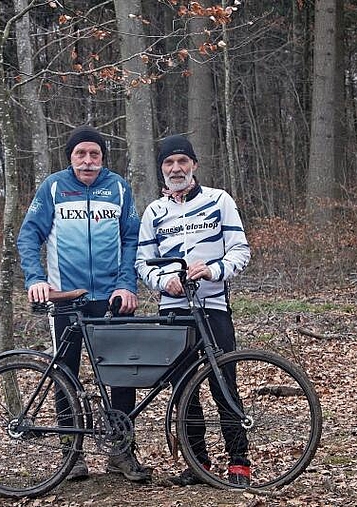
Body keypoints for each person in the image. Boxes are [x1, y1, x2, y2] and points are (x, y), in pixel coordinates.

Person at [17, 125, 150, 482]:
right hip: (66, 299)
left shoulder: (118, 187)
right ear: (71, 158)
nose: (88, 161)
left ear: (103, 158)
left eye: (94, 154)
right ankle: (71, 455)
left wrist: (126, 285)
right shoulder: (54, 187)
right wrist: (36, 279)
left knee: (123, 374)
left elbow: (131, 240)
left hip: (112, 298)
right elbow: (29, 235)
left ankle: (121, 453)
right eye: (81, 154)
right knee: (66, 374)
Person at [134, 134, 252, 487]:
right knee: (184, 388)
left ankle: (239, 463)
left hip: (212, 306)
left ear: (194, 166)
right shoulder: (154, 211)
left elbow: (240, 251)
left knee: (223, 383)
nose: (176, 168)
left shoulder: (219, 200)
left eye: (182, 161)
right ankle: (196, 463)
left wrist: (214, 270)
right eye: (169, 163)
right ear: (161, 170)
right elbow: (142, 263)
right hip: (173, 311)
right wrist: (162, 279)